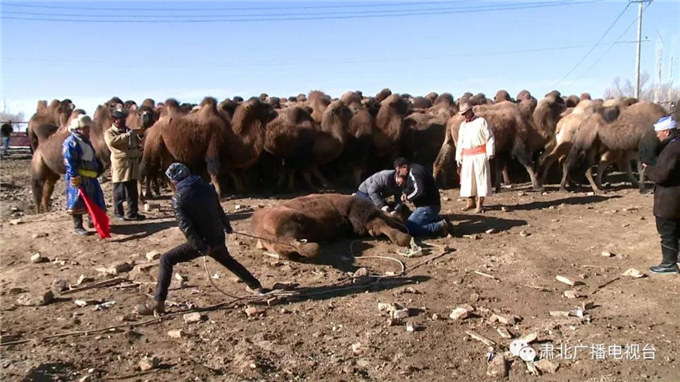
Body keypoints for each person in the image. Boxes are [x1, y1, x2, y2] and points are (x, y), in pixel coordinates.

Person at [136, 163, 266, 315]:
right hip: (217, 236)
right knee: (228, 260)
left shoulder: (178, 199)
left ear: (173, 181)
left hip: (203, 242)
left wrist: (201, 247)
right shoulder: (207, 188)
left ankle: (158, 302)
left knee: (166, 259)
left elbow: (187, 228)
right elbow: (219, 209)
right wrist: (227, 226)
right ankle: (256, 286)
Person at [641, 116, 680, 274]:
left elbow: (661, 175)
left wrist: (648, 169)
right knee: (677, 228)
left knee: (667, 230)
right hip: (676, 197)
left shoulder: (672, 149)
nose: (657, 135)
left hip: (670, 198)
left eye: (659, 132)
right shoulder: (675, 145)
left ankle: (669, 264)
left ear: (666, 131)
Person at [62, 114, 107, 235]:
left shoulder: (86, 141)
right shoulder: (71, 143)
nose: (88, 131)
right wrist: (73, 175)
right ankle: (78, 226)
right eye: (86, 128)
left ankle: (93, 220)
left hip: (90, 177)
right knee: (77, 201)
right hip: (79, 177)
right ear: (79, 129)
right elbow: (69, 160)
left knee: (95, 199)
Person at [105, 108, 145, 221]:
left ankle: (133, 213)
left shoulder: (128, 130)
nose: (123, 121)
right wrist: (128, 135)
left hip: (132, 165)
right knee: (119, 191)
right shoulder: (109, 132)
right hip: (121, 165)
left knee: (132, 191)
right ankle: (119, 213)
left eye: (123, 119)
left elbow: (137, 143)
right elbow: (112, 142)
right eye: (120, 119)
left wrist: (139, 137)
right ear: (114, 120)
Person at [455, 103, 495, 213]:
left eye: (465, 113)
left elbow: (490, 136)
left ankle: (479, 204)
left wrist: (490, 151)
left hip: (480, 154)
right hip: (467, 155)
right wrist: (459, 156)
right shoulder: (463, 125)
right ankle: (470, 202)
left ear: (471, 110)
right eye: (462, 114)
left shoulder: (481, 121)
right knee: (468, 180)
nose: (464, 115)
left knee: (481, 179)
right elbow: (460, 142)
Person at [399, 158, 452, 237]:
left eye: (399, 171)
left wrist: (408, 198)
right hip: (431, 205)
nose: (399, 174)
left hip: (428, 206)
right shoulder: (414, 170)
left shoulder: (414, 172)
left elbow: (419, 190)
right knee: (414, 222)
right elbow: (411, 186)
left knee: (410, 227)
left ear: (404, 167)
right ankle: (439, 220)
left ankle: (441, 227)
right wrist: (406, 193)